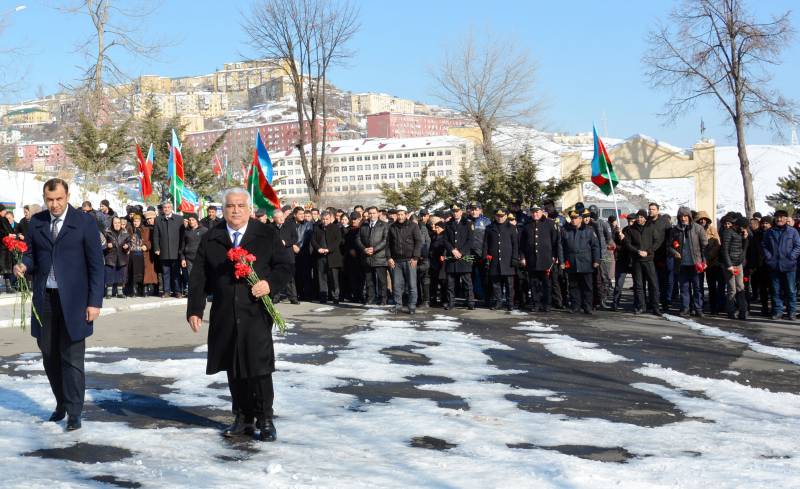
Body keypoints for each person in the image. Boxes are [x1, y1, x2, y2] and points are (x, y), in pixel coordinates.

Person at [187, 188, 292, 442]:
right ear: (223, 210)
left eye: (240, 205)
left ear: (249, 208)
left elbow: (285, 266)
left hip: (255, 311)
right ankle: (243, 418)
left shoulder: (265, 234)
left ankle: (265, 418)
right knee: (233, 366)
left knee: (258, 365)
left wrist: (269, 283)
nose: (235, 210)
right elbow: (199, 275)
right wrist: (195, 309)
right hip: (224, 311)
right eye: (230, 206)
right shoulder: (213, 236)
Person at [15, 178, 104, 431]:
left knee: (73, 358)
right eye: (49, 200)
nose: (54, 205)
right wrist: (23, 264)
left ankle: (75, 412)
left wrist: (94, 302)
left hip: (76, 302)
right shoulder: (38, 222)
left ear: (67, 196)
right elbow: (31, 254)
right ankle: (61, 403)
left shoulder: (84, 222)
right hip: (45, 300)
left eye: (58, 199)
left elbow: (96, 266)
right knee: (49, 355)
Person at [519, 205, 561, 312]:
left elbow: (556, 242)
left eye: (537, 212)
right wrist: (523, 257)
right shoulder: (527, 225)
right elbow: (522, 244)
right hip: (532, 259)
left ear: (542, 212)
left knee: (547, 284)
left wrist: (555, 256)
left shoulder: (550, 224)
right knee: (534, 283)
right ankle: (536, 304)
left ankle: (547, 304)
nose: (535, 214)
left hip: (546, 259)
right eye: (533, 212)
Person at [669, 207, 709, 318]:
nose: (683, 218)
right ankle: (685, 309)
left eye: (685, 216)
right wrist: (674, 252)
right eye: (681, 216)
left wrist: (704, 261)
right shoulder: (675, 230)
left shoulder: (698, 228)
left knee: (697, 288)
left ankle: (698, 309)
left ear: (689, 217)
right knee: (684, 288)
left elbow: (705, 246)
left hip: (696, 264)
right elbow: (669, 246)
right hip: (682, 264)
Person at [762, 209, 800, 320]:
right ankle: (777, 311)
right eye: (777, 217)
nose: (779, 219)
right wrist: (769, 258)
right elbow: (764, 246)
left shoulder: (793, 232)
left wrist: (792, 257)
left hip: (790, 266)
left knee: (791, 290)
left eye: (782, 217)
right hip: (774, 266)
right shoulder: (770, 232)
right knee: (775, 290)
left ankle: (791, 312)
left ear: (786, 218)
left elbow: (798, 246)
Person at [623, 210, 662, 316]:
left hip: (648, 260)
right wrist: (637, 251)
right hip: (637, 260)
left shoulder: (651, 227)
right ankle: (641, 306)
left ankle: (655, 307)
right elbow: (627, 243)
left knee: (653, 285)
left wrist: (648, 251)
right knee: (639, 285)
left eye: (641, 217)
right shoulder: (631, 229)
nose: (639, 219)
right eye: (638, 217)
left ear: (645, 218)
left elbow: (657, 241)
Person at [561, 210, 600, 314]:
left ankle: (587, 307)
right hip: (572, 262)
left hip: (586, 262)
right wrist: (562, 261)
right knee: (573, 286)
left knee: (587, 286)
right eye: (572, 218)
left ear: (580, 219)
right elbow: (561, 247)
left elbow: (595, 246)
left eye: (575, 218)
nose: (573, 220)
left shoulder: (589, 230)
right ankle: (575, 306)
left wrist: (596, 260)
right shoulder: (565, 230)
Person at [386, 205, 422, 314]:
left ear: (406, 215)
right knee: (396, 285)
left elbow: (418, 242)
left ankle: (412, 306)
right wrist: (389, 257)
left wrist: (415, 257)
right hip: (396, 261)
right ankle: (398, 305)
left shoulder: (413, 226)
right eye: (398, 214)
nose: (400, 216)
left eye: (402, 214)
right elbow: (387, 244)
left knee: (412, 284)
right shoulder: (392, 227)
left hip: (410, 260)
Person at [483, 208, 519, 311]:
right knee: (496, 284)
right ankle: (498, 302)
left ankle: (510, 303)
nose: (500, 218)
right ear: (495, 216)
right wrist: (485, 257)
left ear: (506, 216)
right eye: (498, 216)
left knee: (509, 284)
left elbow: (515, 245)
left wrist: (515, 258)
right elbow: (486, 244)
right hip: (494, 260)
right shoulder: (490, 228)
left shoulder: (511, 228)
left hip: (508, 260)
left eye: (502, 216)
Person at [444, 203, 475, 310]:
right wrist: (452, 250)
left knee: (467, 281)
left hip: (464, 256)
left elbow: (470, 240)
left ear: (461, 212)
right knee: (450, 282)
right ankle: (451, 302)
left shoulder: (468, 223)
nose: (455, 213)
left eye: (457, 211)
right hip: (451, 256)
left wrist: (460, 252)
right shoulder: (448, 224)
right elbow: (445, 240)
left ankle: (470, 302)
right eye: (453, 211)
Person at [357, 206, 389, 306]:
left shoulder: (384, 225)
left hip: (380, 257)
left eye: (374, 213)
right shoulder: (364, 225)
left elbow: (385, 240)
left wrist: (374, 249)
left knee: (382, 280)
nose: (372, 215)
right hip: (367, 257)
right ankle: (371, 298)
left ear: (378, 213)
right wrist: (364, 249)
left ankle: (383, 299)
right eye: (370, 213)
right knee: (369, 280)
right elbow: (358, 239)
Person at [720, 214, 749, 319]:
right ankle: (731, 311)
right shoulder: (728, 232)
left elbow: (744, 248)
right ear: (738, 225)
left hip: (739, 264)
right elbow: (724, 250)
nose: (743, 229)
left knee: (740, 287)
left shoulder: (740, 233)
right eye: (742, 227)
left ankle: (743, 311)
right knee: (732, 289)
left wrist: (745, 238)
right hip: (730, 265)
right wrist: (729, 265)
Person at [153, 201, 185, 298]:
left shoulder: (179, 219)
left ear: (171, 208)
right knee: (165, 272)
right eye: (165, 207)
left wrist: (181, 249)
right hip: (164, 250)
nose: (166, 209)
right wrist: (157, 248)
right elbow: (155, 235)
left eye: (168, 207)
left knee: (176, 272)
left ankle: (177, 291)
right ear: (162, 209)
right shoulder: (158, 219)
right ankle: (166, 291)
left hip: (176, 251)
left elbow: (183, 235)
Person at [311, 210, 343, 304]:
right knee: (322, 277)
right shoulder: (317, 228)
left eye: (327, 219)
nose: (325, 221)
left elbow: (338, 241)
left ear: (330, 219)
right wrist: (318, 249)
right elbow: (313, 240)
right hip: (321, 256)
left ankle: (335, 297)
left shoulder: (335, 227)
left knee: (334, 278)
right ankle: (323, 297)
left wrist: (329, 249)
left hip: (332, 256)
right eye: (323, 219)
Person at [270, 208, 299, 304]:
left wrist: (286, 242)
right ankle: (276, 296)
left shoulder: (289, 225)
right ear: (274, 219)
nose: (281, 219)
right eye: (278, 218)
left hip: (288, 254)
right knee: (276, 276)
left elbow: (295, 238)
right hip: (276, 256)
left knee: (290, 277)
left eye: (282, 217)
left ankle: (293, 297)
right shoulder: (271, 227)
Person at [648, 202, 674, 311]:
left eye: (653, 209)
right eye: (649, 209)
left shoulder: (664, 222)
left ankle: (665, 302)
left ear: (658, 210)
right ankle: (652, 302)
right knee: (652, 281)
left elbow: (670, 238)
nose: (651, 211)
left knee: (664, 281)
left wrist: (668, 251)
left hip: (663, 256)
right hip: (650, 256)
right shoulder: (647, 222)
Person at [612, 214, 637, 311]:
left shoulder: (638, 231)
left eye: (632, 221)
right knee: (619, 284)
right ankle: (615, 303)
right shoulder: (623, 231)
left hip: (634, 260)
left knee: (637, 284)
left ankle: (636, 304)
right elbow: (616, 245)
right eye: (629, 221)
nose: (630, 223)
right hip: (623, 260)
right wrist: (619, 236)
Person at [103, 216, 131, 299]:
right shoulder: (107, 232)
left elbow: (129, 242)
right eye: (115, 223)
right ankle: (108, 293)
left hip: (122, 256)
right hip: (110, 257)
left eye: (118, 223)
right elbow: (102, 243)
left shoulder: (125, 233)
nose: (117, 224)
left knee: (120, 275)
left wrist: (127, 246)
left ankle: (120, 292)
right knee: (109, 275)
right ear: (112, 223)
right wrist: (107, 245)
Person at [127, 213, 154, 297]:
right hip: (132, 254)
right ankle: (134, 290)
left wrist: (146, 246)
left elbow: (151, 241)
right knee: (134, 272)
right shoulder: (129, 230)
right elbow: (126, 240)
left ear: (140, 221)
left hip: (143, 254)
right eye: (134, 221)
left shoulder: (145, 229)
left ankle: (144, 289)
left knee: (143, 272)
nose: (135, 223)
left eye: (137, 221)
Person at [180, 213, 208, 290]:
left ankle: (201, 292)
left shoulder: (204, 230)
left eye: (193, 220)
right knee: (190, 276)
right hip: (189, 258)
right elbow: (182, 245)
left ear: (196, 220)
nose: (191, 221)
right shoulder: (186, 231)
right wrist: (182, 258)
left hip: (200, 258)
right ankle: (193, 292)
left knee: (200, 276)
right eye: (189, 220)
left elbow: (208, 245)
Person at [0, 204, 15, 293]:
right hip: (1, 248)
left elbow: (10, 230)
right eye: (4, 210)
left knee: (7, 268)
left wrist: (13, 235)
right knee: (1, 266)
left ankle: (8, 287)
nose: (5, 212)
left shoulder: (5, 219)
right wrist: (7, 235)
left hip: (7, 247)